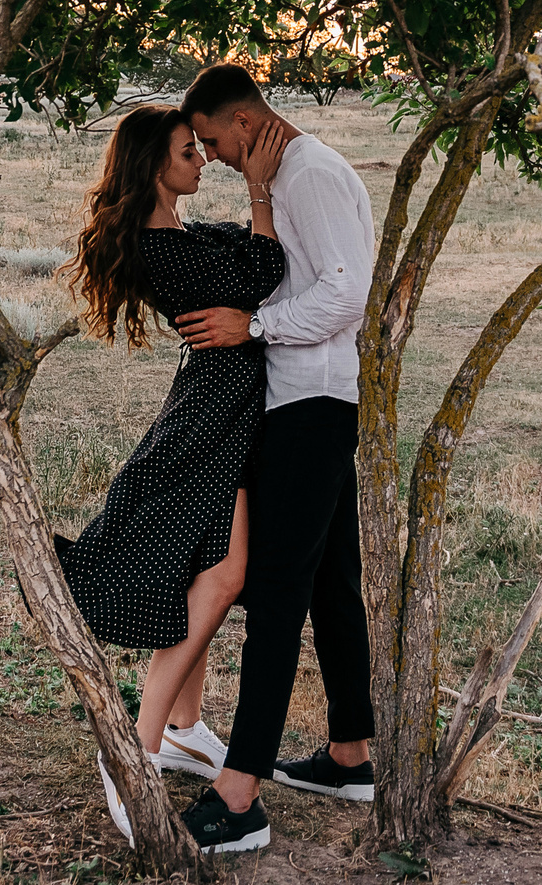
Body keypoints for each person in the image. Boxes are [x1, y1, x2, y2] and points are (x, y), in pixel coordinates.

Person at [57, 103, 292, 847]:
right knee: (223, 573)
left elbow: (238, 260)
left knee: (211, 566)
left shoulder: (178, 236)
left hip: (225, 413)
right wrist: (259, 190)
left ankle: (186, 727)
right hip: (211, 420)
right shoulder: (163, 247)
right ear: (154, 165)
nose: (200, 159)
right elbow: (262, 267)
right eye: (188, 151)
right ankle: (134, 747)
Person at [169, 63, 379, 855]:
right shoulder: (283, 175)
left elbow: (345, 293)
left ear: (247, 120)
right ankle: (350, 753)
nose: (215, 155)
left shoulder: (311, 174)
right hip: (307, 400)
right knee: (329, 581)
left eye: (217, 139)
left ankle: (240, 794)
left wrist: (252, 326)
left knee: (280, 592)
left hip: (312, 404)